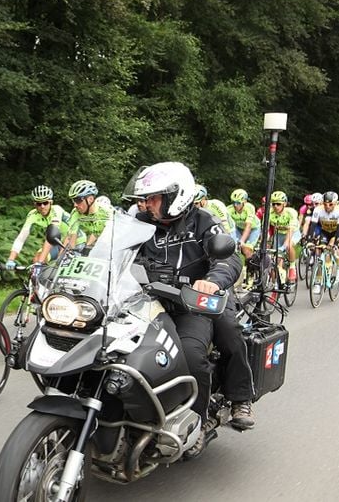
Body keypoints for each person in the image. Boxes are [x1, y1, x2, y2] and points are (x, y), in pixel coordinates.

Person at [130, 162, 255, 459]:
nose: (146, 204)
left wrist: (212, 281)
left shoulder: (203, 221)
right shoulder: (138, 221)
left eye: (154, 198)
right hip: (144, 301)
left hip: (193, 303)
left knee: (202, 347)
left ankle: (209, 416)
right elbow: (112, 250)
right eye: (145, 198)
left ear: (177, 196)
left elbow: (229, 259)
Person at [5, 185, 74, 269]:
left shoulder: (56, 210)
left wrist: (39, 263)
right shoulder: (32, 215)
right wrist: (11, 259)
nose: (42, 206)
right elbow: (21, 238)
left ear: (51, 202)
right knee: (36, 259)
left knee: (59, 263)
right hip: (57, 242)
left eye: (45, 203)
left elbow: (50, 237)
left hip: (73, 239)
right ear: (35, 204)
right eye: (39, 203)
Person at [65, 180, 113, 250]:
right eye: (73, 201)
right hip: (91, 245)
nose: (75, 205)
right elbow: (72, 238)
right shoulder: (75, 213)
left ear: (90, 199)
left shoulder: (106, 211)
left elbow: (98, 234)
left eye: (78, 200)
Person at [268, 191, 301, 282]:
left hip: (293, 232)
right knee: (276, 260)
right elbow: (266, 229)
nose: (275, 206)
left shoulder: (291, 212)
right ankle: (276, 285)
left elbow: (290, 231)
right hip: (279, 234)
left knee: (288, 246)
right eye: (273, 204)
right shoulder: (269, 213)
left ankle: (292, 267)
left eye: (278, 204)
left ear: (284, 204)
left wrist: (285, 245)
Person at [227, 189, 261, 260]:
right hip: (239, 228)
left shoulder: (249, 207)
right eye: (234, 202)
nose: (235, 205)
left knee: (247, 249)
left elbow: (248, 226)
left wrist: (242, 241)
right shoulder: (229, 209)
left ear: (244, 202)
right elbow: (228, 227)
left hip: (253, 229)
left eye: (238, 203)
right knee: (235, 247)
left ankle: (251, 267)